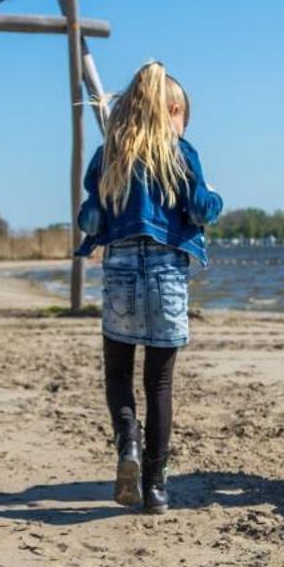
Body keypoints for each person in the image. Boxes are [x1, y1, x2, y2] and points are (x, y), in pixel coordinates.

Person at [76, 61, 223, 514]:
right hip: (166, 274)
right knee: (159, 381)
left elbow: (91, 218)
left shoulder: (108, 154)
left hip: (120, 267)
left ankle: (128, 447)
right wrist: (214, 196)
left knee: (118, 373)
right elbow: (201, 210)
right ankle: (156, 488)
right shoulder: (181, 154)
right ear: (173, 109)